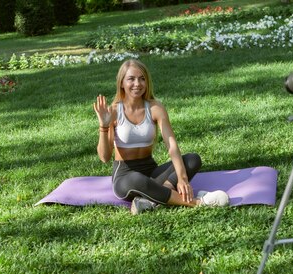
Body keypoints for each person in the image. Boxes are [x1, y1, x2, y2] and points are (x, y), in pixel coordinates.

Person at [93, 59, 229, 214]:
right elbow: (104, 157)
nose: (137, 84)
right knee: (137, 179)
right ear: (122, 83)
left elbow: (171, 145)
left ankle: (152, 199)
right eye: (131, 79)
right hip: (125, 177)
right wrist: (103, 126)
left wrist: (182, 178)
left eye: (142, 78)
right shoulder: (114, 111)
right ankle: (198, 203)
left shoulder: (155, 108)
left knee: (192, 159)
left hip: (151, 171)